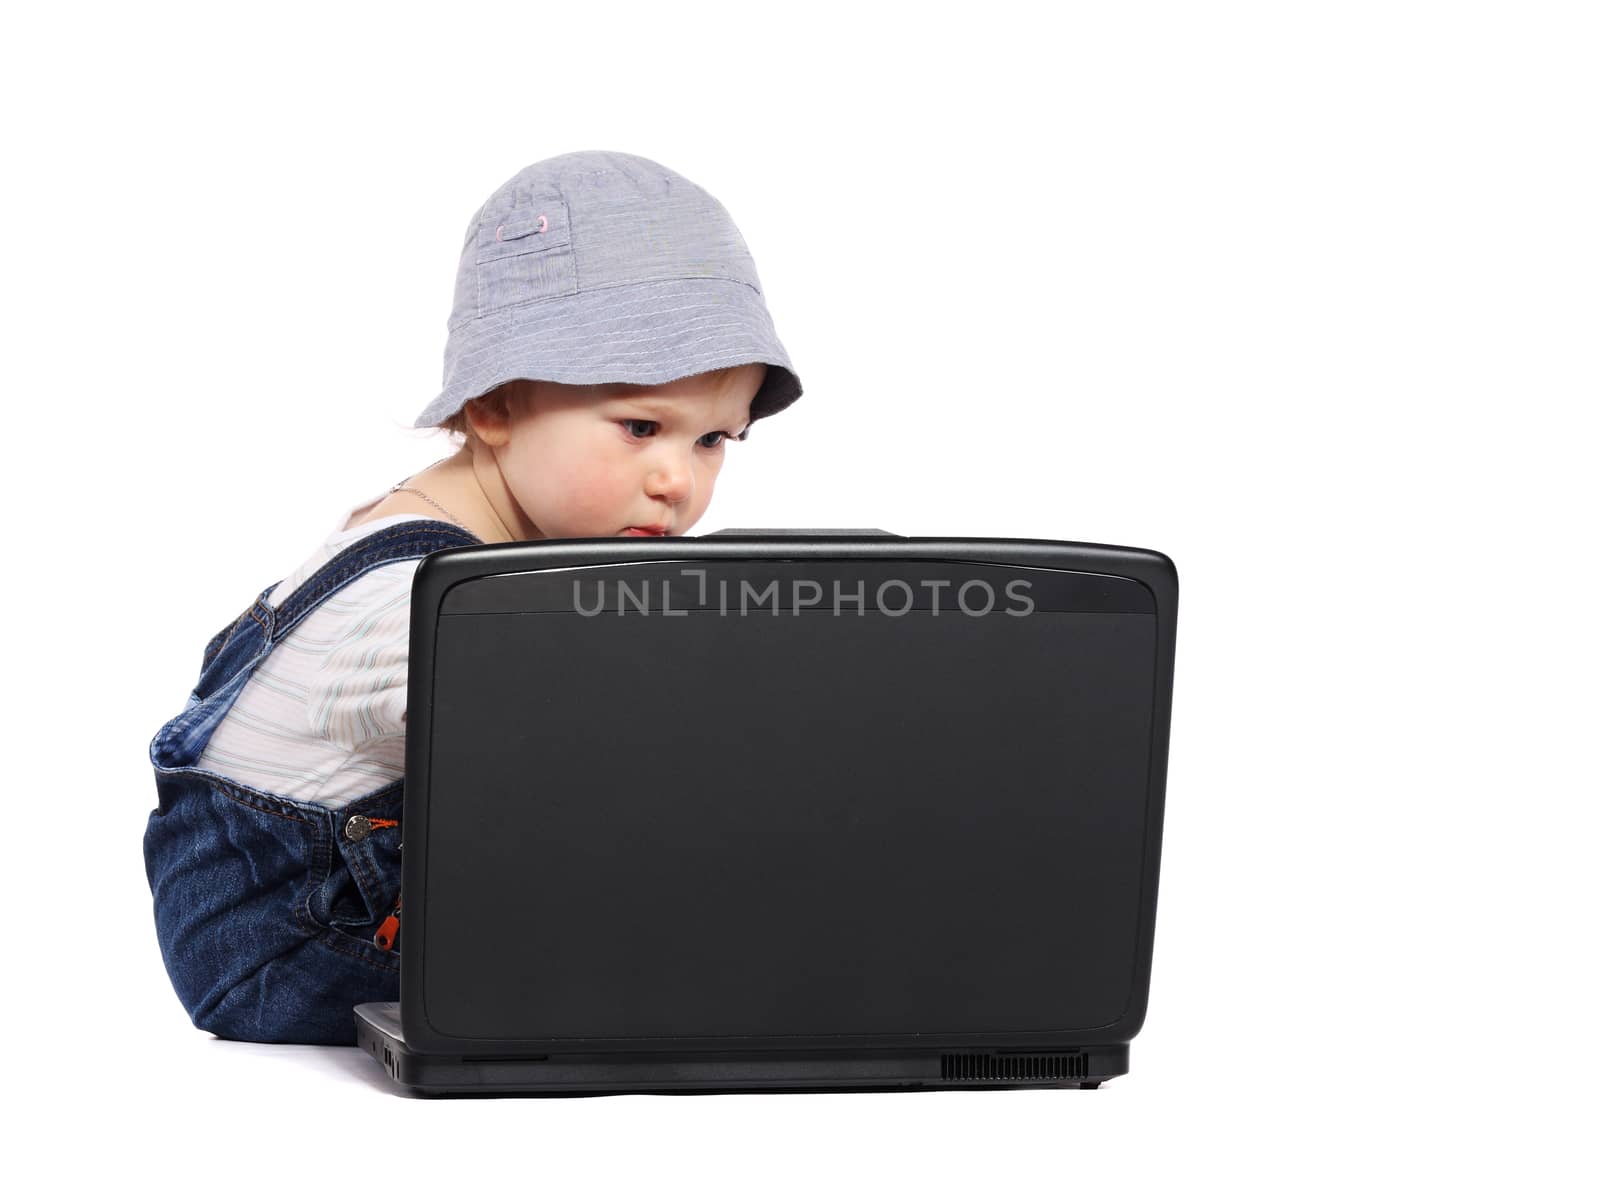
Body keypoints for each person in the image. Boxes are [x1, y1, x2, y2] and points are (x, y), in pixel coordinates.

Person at [143, 150, 804, 1045]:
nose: (675, 480)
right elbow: (574, 767)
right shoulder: (417, 602)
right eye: (641, 427)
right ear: (494, 408)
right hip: (283, 954)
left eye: (714, 440)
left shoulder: (459, 539)